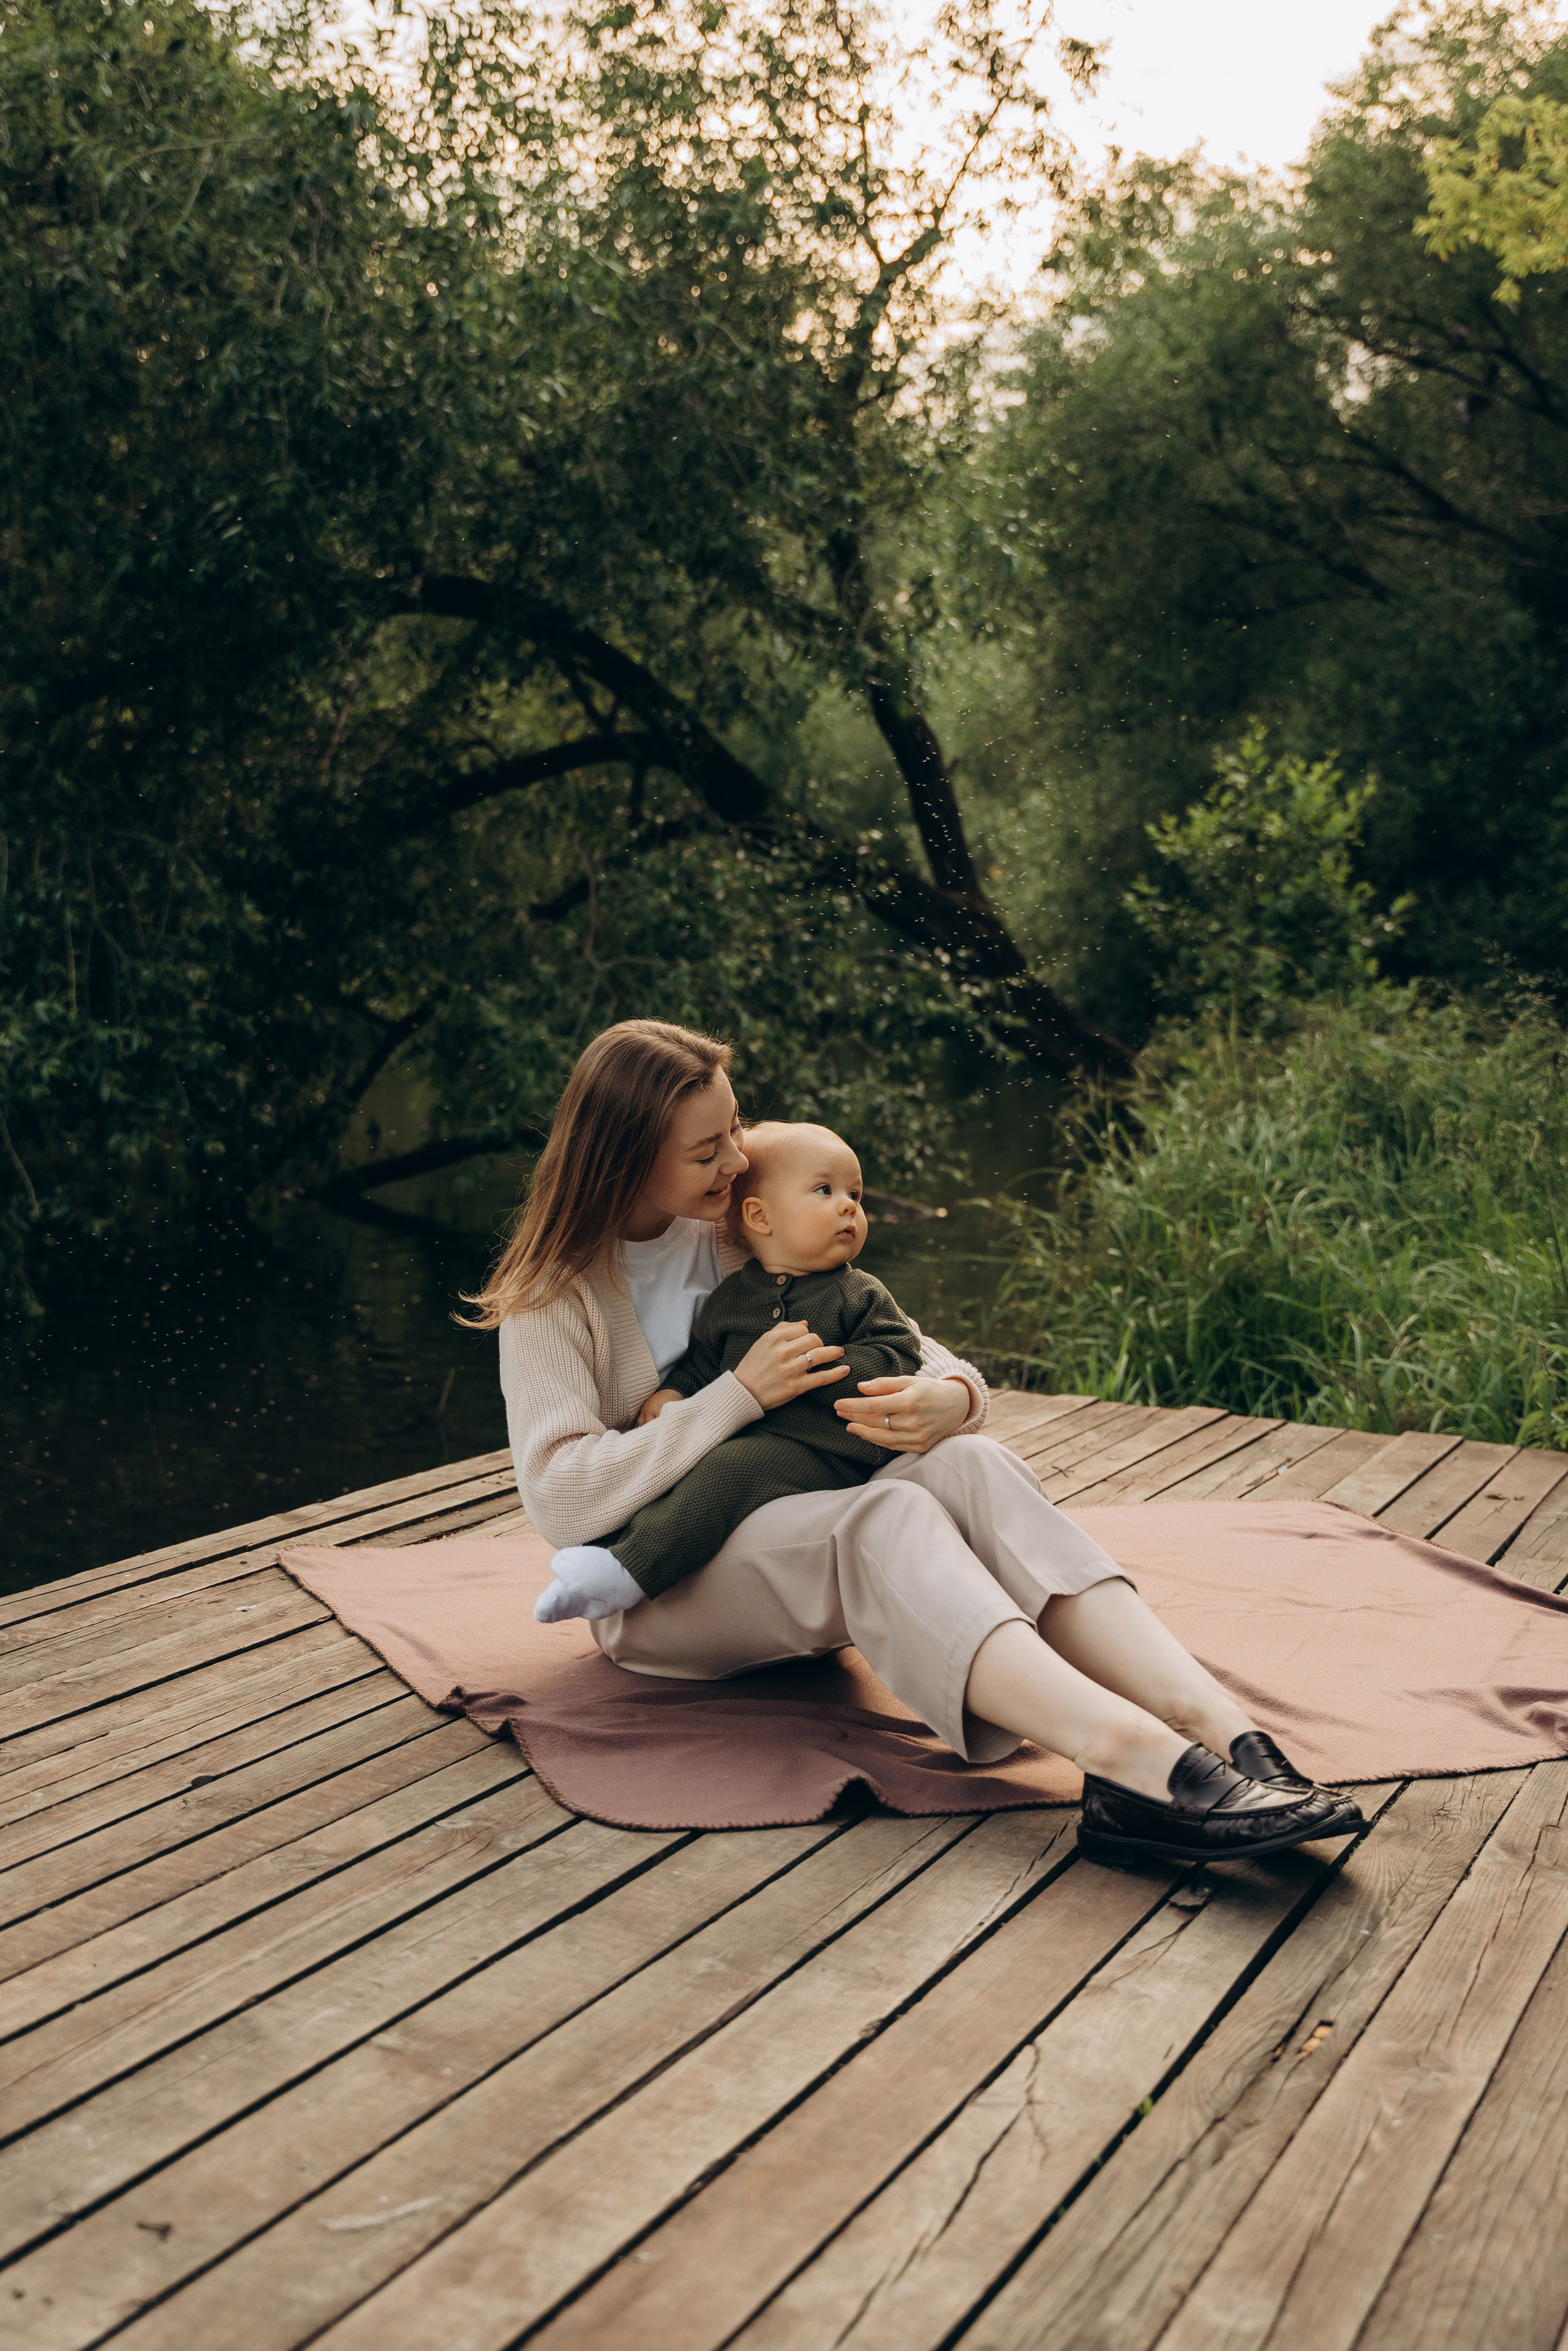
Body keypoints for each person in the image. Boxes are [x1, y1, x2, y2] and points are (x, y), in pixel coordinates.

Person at [467, 1017, 1363, 1867]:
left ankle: (1221, 1727)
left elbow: (901, 1337)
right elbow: (563, 1501)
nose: (739, 1161)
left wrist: (953, 1394)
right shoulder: (553, 1291)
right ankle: (1130, 1761)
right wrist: (734, 1399)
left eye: (734, 1130)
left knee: (969, 1460)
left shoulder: (738, 1221)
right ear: (627, 1157)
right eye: (708, 1152)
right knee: (886, 1512)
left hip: (797, 1543)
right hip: (663, 1587)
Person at [537, 1120, 923, 1609]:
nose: (850, 1205)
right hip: (766, 1465)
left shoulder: (859, 1291)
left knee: (730, 1468)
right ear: (760, 1219)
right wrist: (675, 1394)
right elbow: (703, 1364)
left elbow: (904, 1352)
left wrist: (824, 1373)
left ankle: (628, 1571)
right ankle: (629, 1560)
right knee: (715, 1469)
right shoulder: (734, 1297)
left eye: (856, 1194)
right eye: (825, 1190)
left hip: (832, 1445)